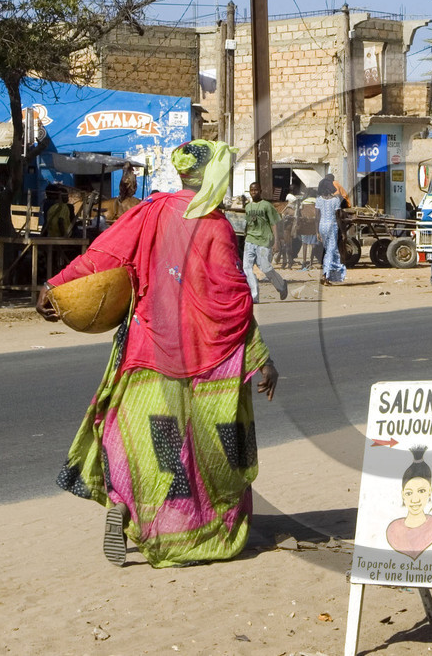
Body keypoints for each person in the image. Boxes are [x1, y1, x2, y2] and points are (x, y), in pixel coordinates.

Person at [40, 139, 280, 568]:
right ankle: (189, 535)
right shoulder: (214, 224)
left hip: (147, 348)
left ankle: (123, 503)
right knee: (208, 449)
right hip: (207, 357)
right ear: (214, 177)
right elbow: (232, 298)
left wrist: (55, 286)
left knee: (155, 439)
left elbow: (101, 255)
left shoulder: (150, 211)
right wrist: (261, 356)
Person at [386, 446, 432, 561]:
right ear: (402, 494)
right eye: (409, 493)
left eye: (421, 491)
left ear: (429, 492)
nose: (415, 500)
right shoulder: (393, 530)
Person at [241, 182, 289, 302]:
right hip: (250, 240)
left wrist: (276, 242)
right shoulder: (248, 207)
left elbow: (274, 223)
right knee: (247, 268)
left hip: (264, 240)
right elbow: (247, 224)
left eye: (256, 190)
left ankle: (281, 285)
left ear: (260, 191)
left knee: (265, 267)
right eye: (251, 190)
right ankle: (254, 296)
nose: (253, 192)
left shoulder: (267, 206)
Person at [317, 175, 347, 285]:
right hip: (332, 226)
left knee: (327, 250)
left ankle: (326, 274)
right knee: (331, 251)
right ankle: (326, 276)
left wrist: (317, 232)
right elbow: (338, 217)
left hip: (322, 226)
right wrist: (343, 232)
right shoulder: (335, 200)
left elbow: (317, 216)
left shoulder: (319, 200)